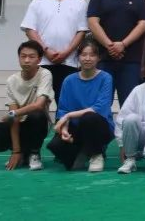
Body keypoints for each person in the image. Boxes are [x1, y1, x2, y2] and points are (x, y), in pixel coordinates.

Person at [0, 40, 53, 171]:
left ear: (39, 59)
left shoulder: (45, 74)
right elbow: (14, 118)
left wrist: (13, 113)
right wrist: (16, 151)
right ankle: (22, 151)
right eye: (23, 56)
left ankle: (34, 153)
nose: (26, 60)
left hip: (37, 124)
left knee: (36, 115)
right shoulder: (12, 80)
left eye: (31, 57)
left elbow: (39, 105)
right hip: (17, 123)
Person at [20, 0, 88, 103]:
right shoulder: (38, 2)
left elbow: (81, 32)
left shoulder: (80, 3)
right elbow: (30, 29)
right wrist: (46, 50)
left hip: (69, 62)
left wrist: (66, 52)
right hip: (41, 62)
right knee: (37, 106)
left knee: (66, 104)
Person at [86, 0, 145, 106]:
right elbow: (93, 23)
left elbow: (143, 24)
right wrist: (110, 46)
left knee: (129, 105)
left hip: (131, 61)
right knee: (100, 104)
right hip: (103, 59)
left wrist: (123, 44)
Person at [47, 40, 114, 172]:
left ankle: (97, 154)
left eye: (92, 55)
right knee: (55, 145)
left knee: (89, 118)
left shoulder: (106, 78)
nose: (87, 58)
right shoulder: (69, 80)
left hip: (99, 126)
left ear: (98, 58)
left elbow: (99, 108)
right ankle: (83, 151)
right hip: (76, 128)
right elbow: (63, 109)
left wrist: (69, 115)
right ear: (78, 57)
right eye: (84, 55)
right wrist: (64, 130)